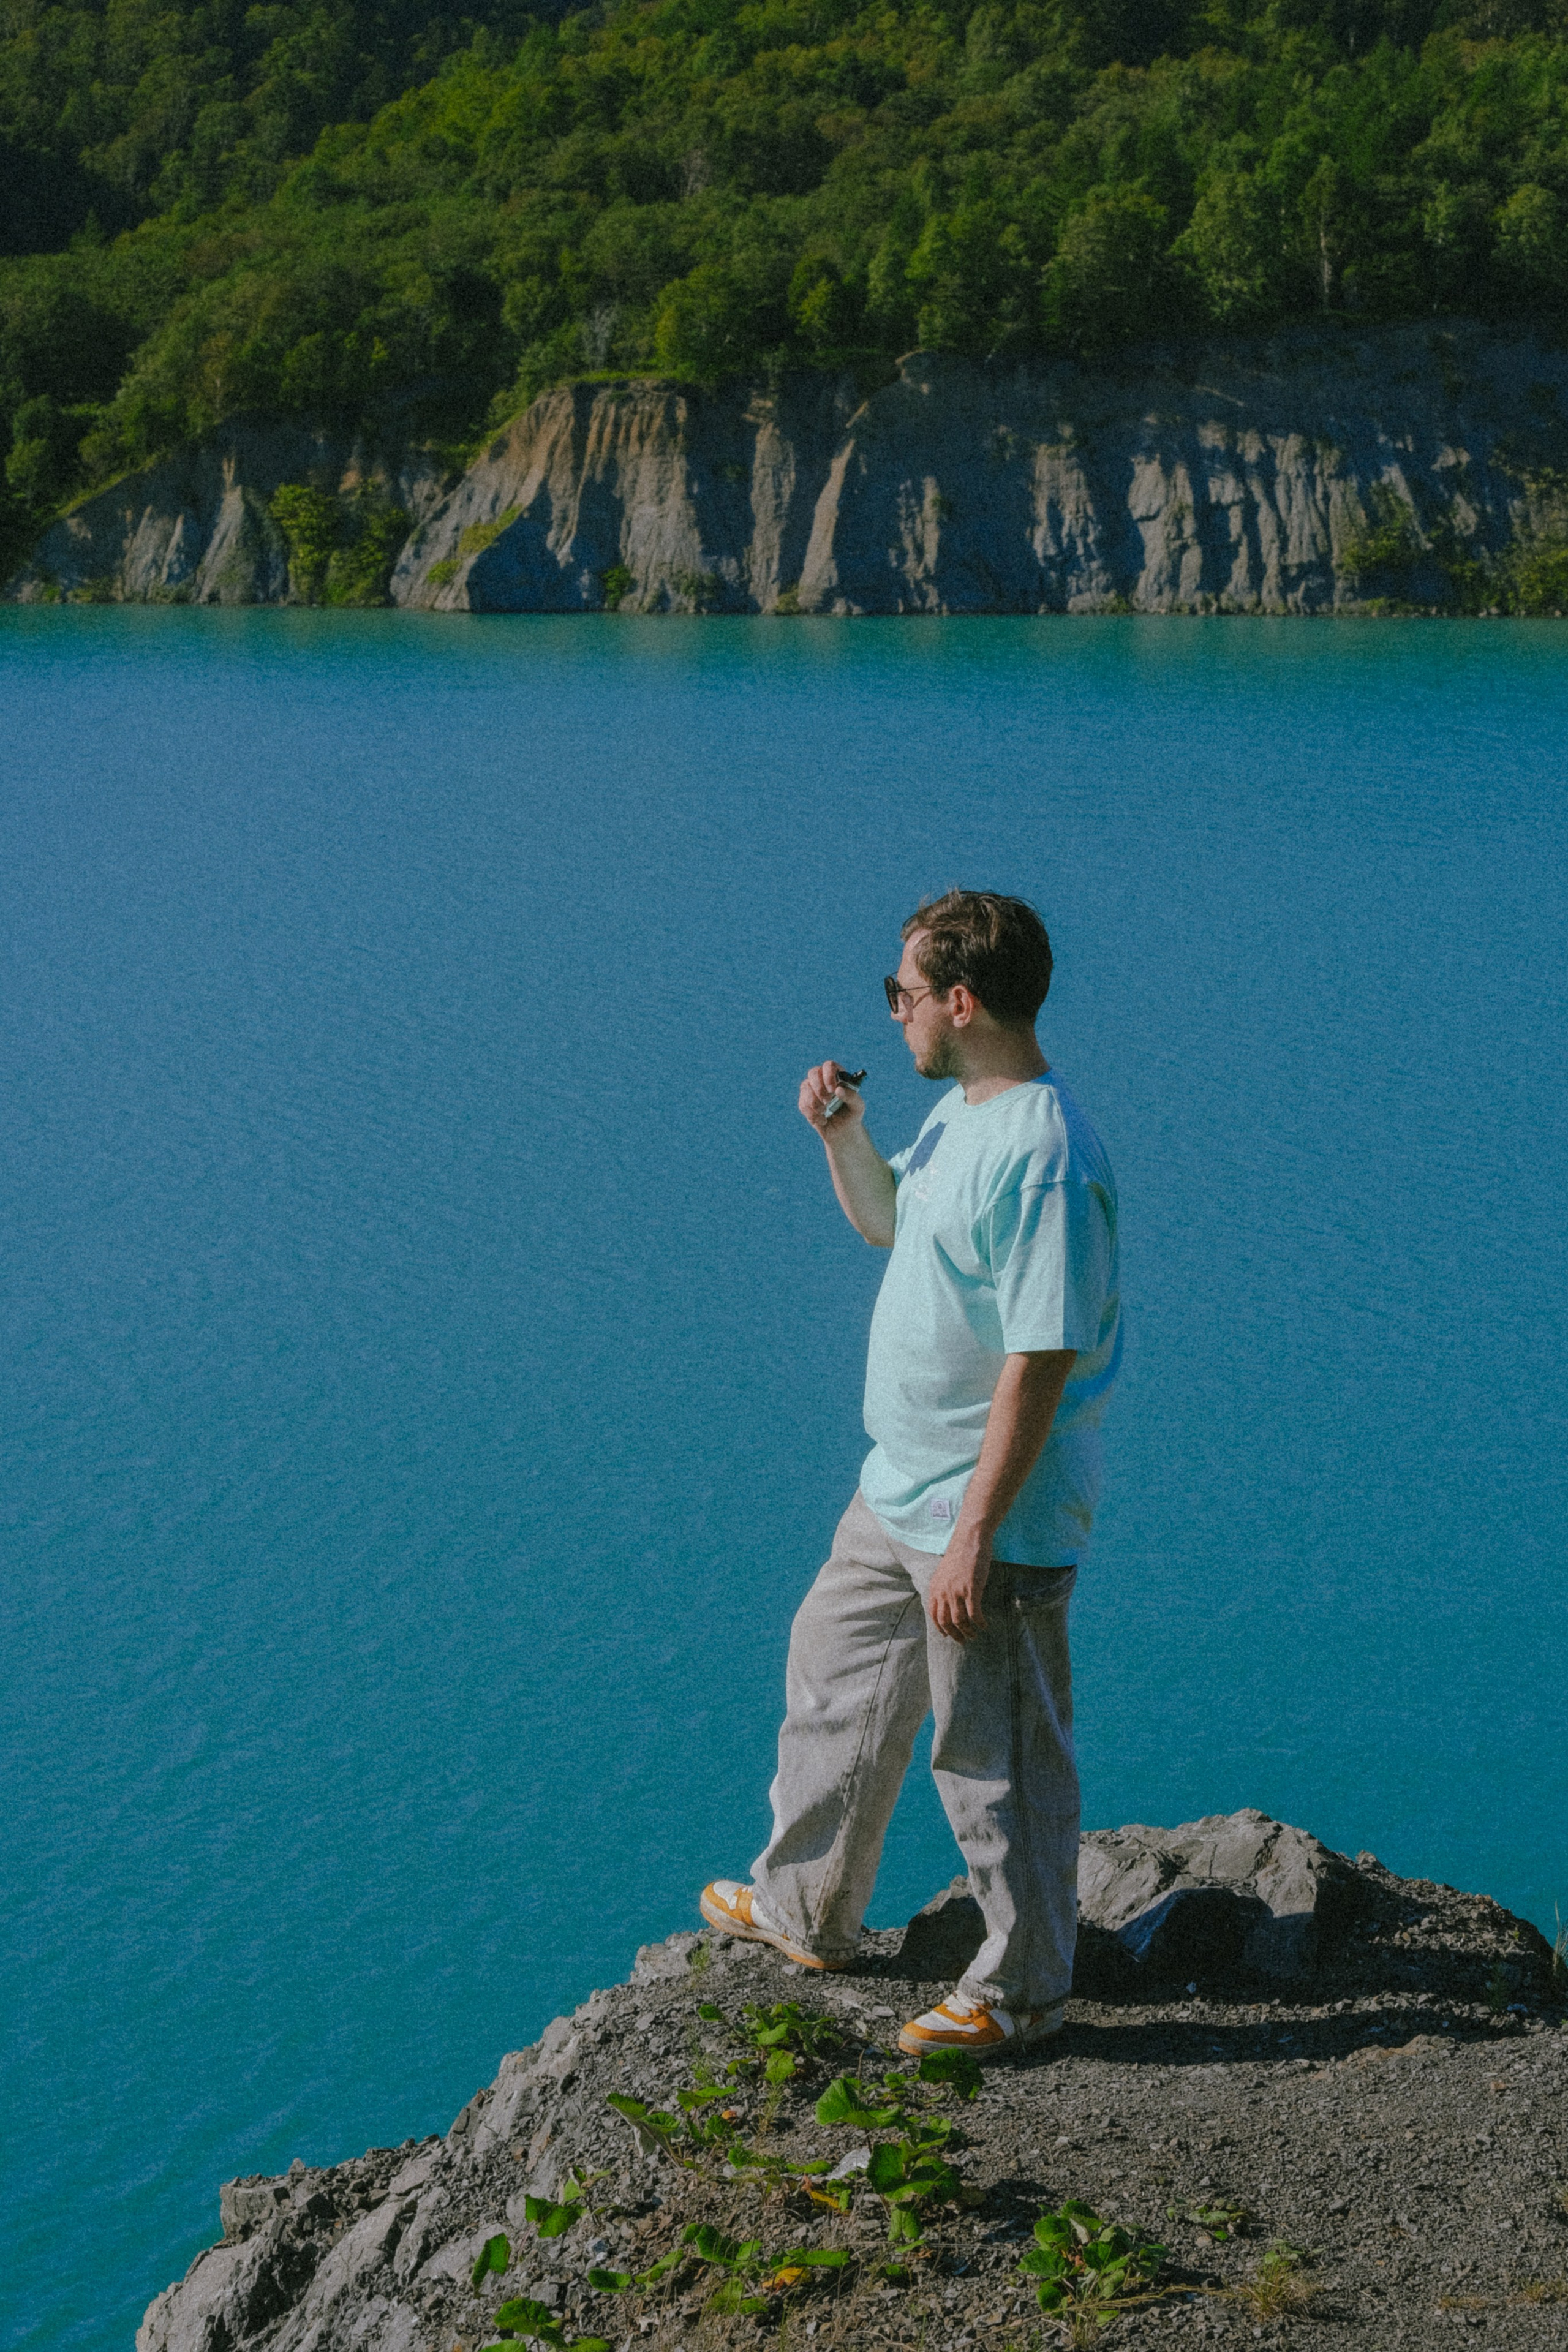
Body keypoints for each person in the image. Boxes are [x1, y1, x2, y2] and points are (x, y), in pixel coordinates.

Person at [699, 889, 1121, 2060]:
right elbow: (892, 1227)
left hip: (989, 1509)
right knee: (833, 1677)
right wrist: (842, 1139)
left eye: (905, 994)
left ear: (963, 1001)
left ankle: (1025, 1987)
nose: (893, 1017)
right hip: (900, 1485)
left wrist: (977, 1533)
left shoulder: (1043, 1154)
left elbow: (1044, 1355)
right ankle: (805, 1908)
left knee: (993, 1751)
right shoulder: (964, 1118)